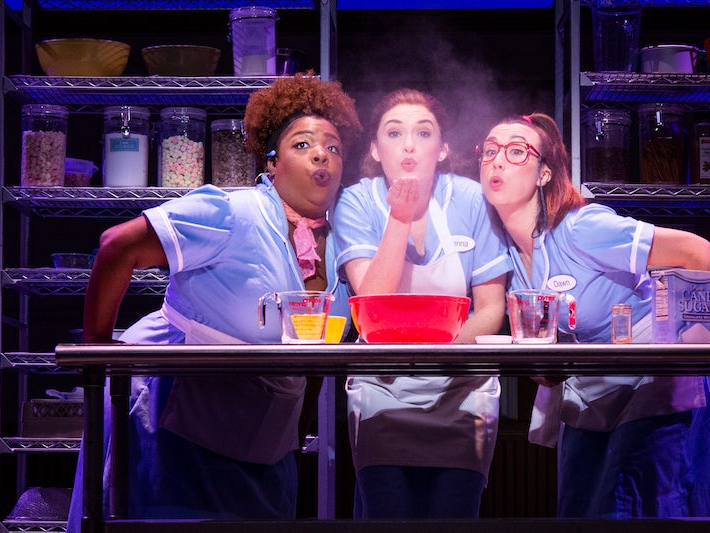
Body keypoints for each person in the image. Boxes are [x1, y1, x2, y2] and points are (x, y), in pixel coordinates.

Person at [66, 73, 362, 531]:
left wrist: (298, 426)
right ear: (272, 161)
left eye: (334, 147)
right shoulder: (230, 212)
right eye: (302, 145)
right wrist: (97, 356)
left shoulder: (346, 246)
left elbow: (317, 356)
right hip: (176, 424)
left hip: (265, 445)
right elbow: (116, 247)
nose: (322, 153)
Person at [479, 112, 710, 519]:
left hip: (652, 387)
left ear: (544, 174)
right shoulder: (508, 256)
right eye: (489, 151)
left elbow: (696, 252)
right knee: (583, 512)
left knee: (648, 510)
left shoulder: (581, 227)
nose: (497, 160)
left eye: (517, 151)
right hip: (593, 394)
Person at [333, 88, 513, 519]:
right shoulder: (357, 202)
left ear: (443, 148)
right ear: (376, 150)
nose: (409, 144)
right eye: (394, 133)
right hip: (382, 391)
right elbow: (370, 306)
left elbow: (491, 309)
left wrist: (438, 359)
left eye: (423, 132)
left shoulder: (470, 199)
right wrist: (398, 217)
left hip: (462, 392)